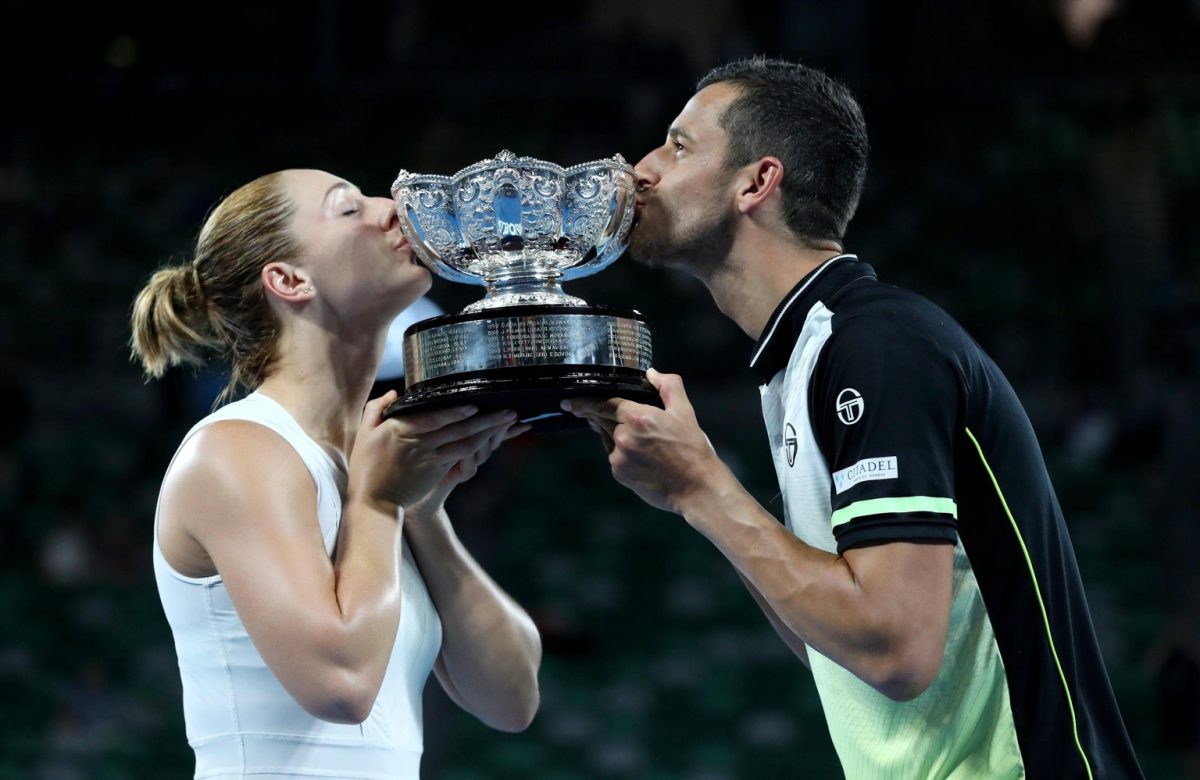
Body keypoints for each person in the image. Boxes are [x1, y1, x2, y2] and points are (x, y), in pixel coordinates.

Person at [564, 58, 1143, 778]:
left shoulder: (875, 347)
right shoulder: (804, 359)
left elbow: (896, 650)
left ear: (756, 182)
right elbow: (835, 648)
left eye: (679, 146)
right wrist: (693, 501)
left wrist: (702, 486)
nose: (642, 169)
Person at [130, 169, 541, 779]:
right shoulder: (237, 450)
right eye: (348, 210)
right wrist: (376, 505)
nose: (391, 209)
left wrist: (420, 512)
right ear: (289, 279)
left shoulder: (375, 468)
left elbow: (511, 700)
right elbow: (342, 685)